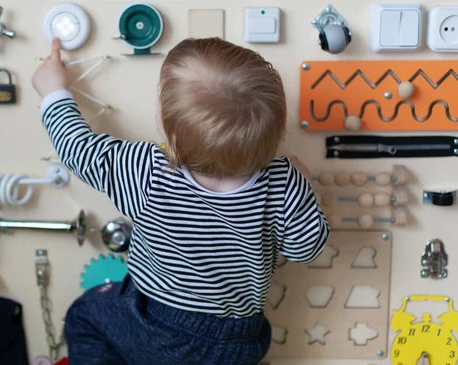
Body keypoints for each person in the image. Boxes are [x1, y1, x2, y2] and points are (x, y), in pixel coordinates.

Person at [32, 37, 329, 365]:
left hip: (156, 325)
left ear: (170, 136)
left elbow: (79, 149)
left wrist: (54, 92)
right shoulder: (283, 182)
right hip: (239, 340)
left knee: (86, 315)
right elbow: (306, 249)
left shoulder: (146, 170)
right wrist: (307, 187)